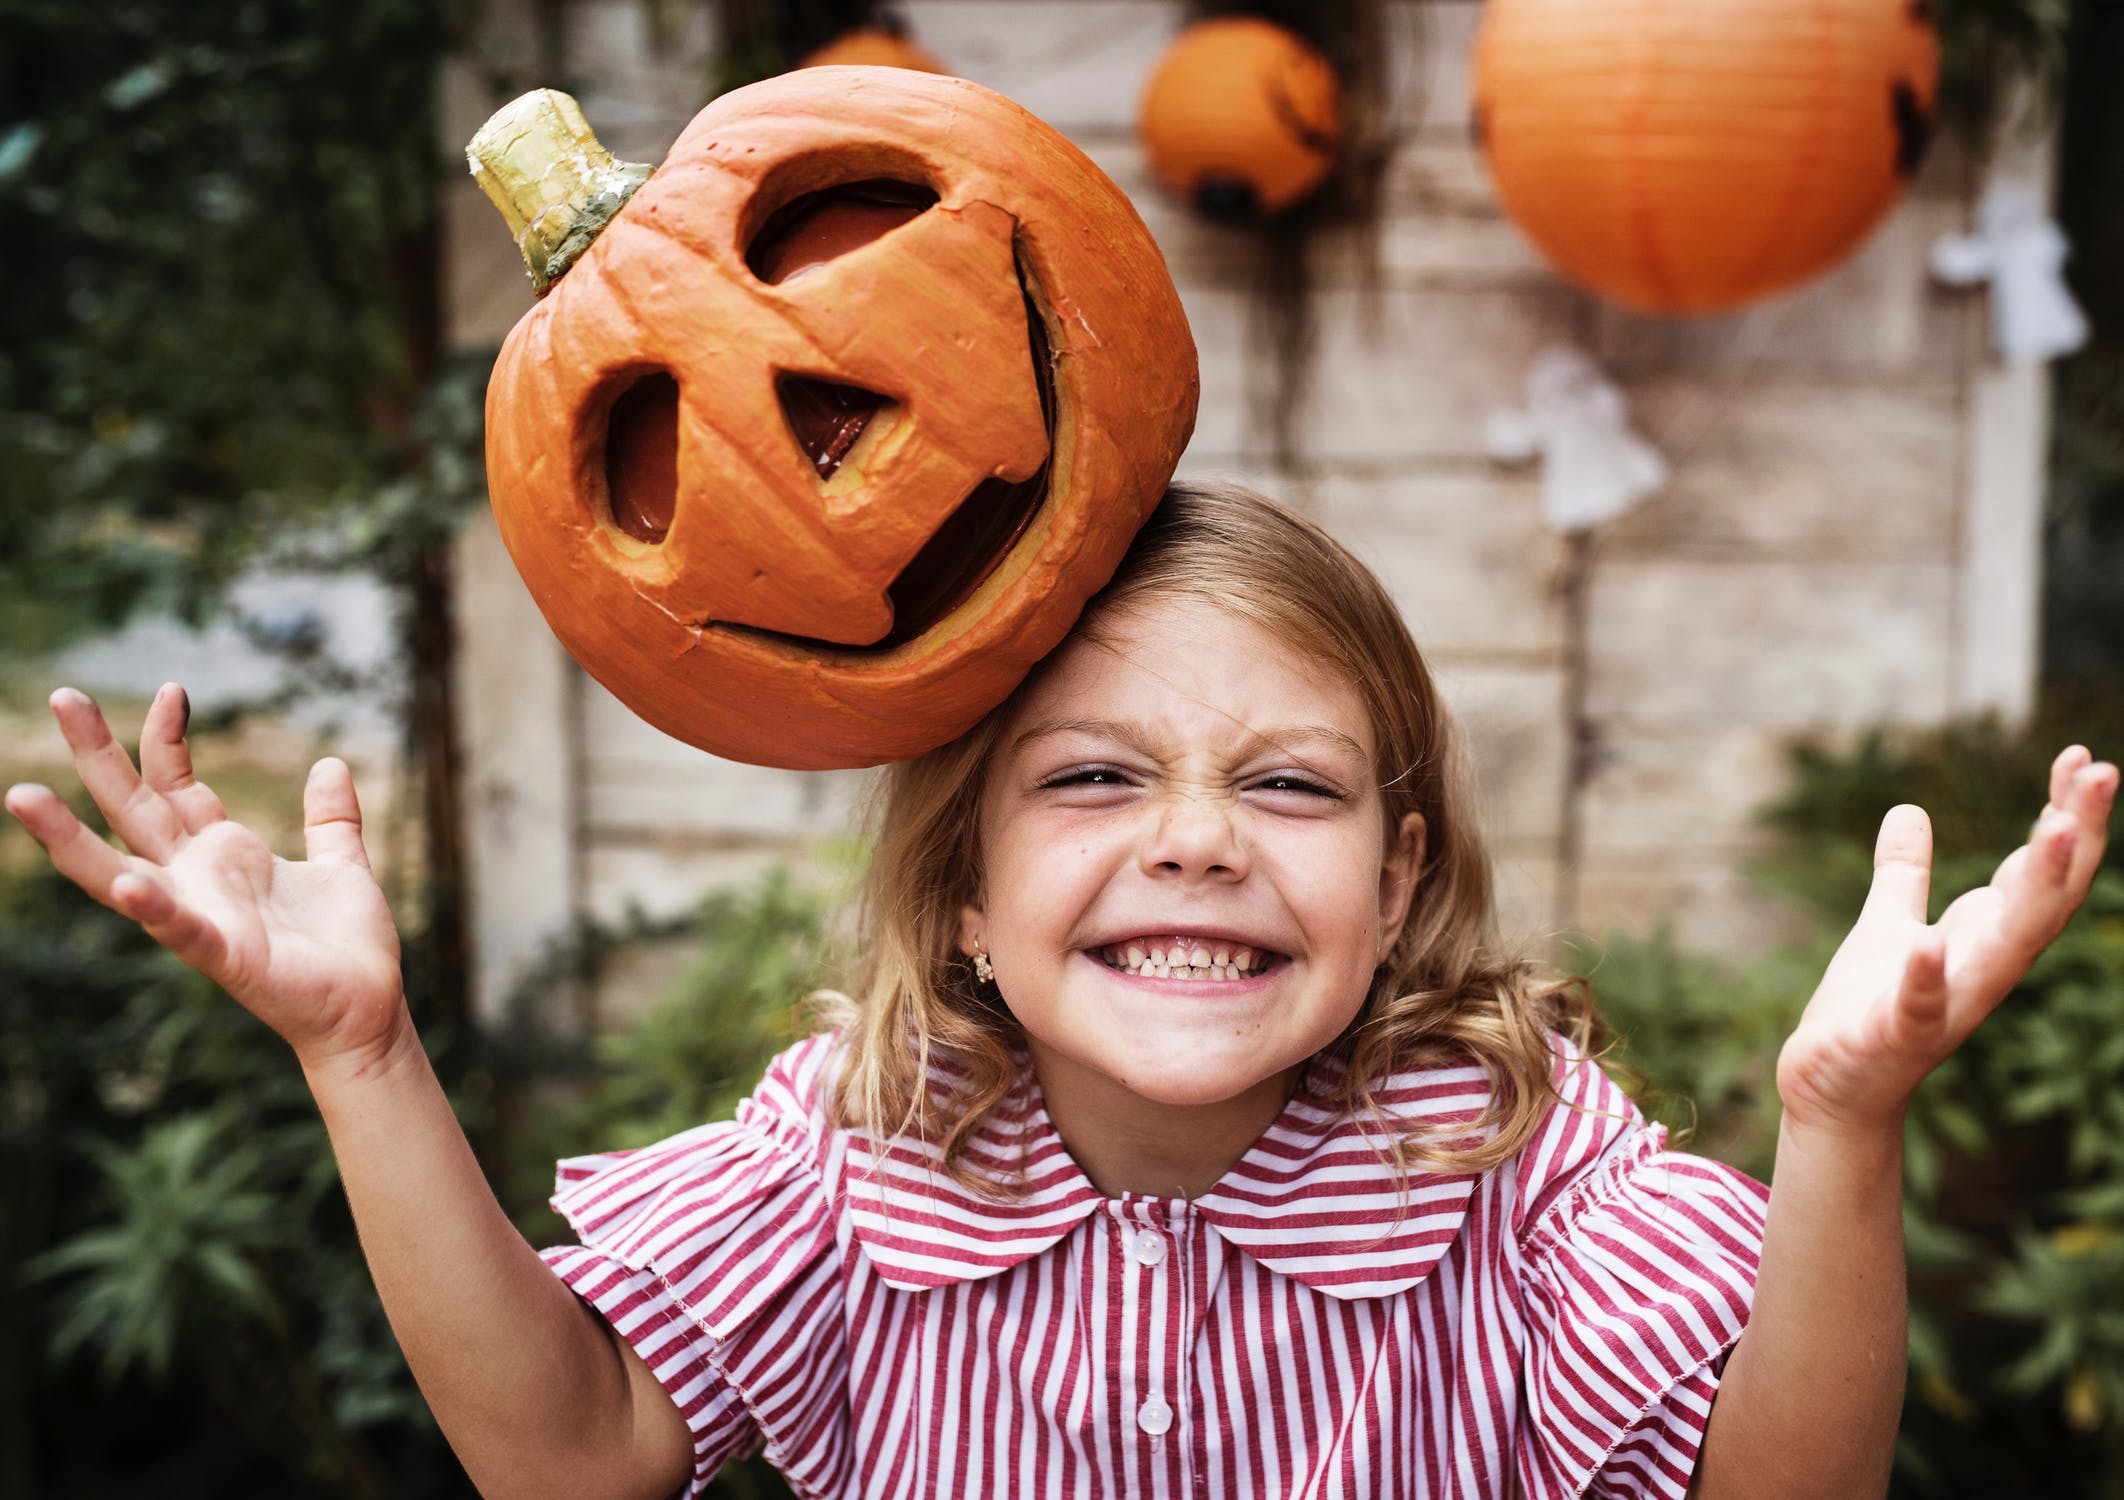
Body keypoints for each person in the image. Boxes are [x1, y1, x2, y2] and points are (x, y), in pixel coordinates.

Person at [4, 480, 2114, 1500]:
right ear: (967, 905)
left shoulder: (1510, 1153)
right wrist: (360, 1047)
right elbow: (571, 1461)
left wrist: (1842, 1129)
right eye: (1096, 779)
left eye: (1282, 786)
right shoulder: (855, 1146)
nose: (1196, 837)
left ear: (1392, 884)